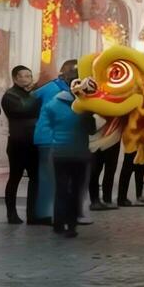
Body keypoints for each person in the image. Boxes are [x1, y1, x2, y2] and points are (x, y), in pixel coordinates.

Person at [37, 86, 93, 237]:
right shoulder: (85, 107)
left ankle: (58, 224)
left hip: (59, 153)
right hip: (80, 154)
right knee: (75, 190)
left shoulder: (52, 104)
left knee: (61, 189)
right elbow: (91, 129)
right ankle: (72, 226)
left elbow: (44, 128)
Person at [31, 59, 79, 224]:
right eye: (72, 71)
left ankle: (63, 214)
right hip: (48, 138)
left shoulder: (73, 90)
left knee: (63, 179)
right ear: (62, 72)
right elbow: (30, 101)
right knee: (49, 178)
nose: (75, 75)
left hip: (65, 140)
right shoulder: (52, 87)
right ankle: (45, 214)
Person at [2, 65, 40, 224]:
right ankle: (11, 213)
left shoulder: (32, 94)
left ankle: (33, 214)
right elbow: (24, 110)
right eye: (22, 76)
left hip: (34, 142)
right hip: (18, 143)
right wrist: (38, 98)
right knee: (15, 178)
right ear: (15, 78)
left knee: (35, 178)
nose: (26, 79)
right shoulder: (10, 95)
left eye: (29, 76)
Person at [89, 139, 120, 210]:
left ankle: (105, 199)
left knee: (109, 170)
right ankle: (96, 200)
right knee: (95, 170)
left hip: (112, 137)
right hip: (98, 138)